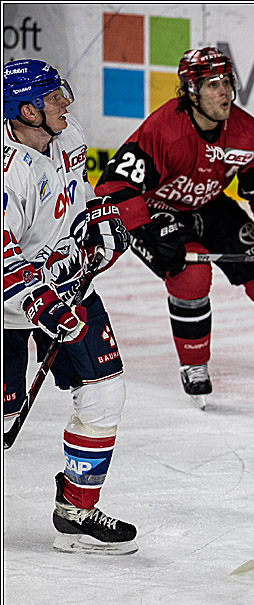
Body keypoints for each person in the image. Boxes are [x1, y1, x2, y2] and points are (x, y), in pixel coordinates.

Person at [95, 47, 254, 409]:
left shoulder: (245, 130)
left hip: (210, 204)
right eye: (212, 84)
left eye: (227, 82)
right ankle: (193, 364)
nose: (224, 92)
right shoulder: (164, 131)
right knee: (191, 275)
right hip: (156, 210)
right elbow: (114, 186)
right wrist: (143, 231)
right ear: (191, 91)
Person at [3, 59, 137, 554]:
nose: (65, 102)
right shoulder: (8, 174)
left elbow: (78, 196)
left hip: (67, 286)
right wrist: (41, 304)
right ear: (26, 110)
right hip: (10, 308)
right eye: (53, 96)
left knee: (105, 391)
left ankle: (76, 510)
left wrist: (100, 222)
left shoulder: (68, 132)